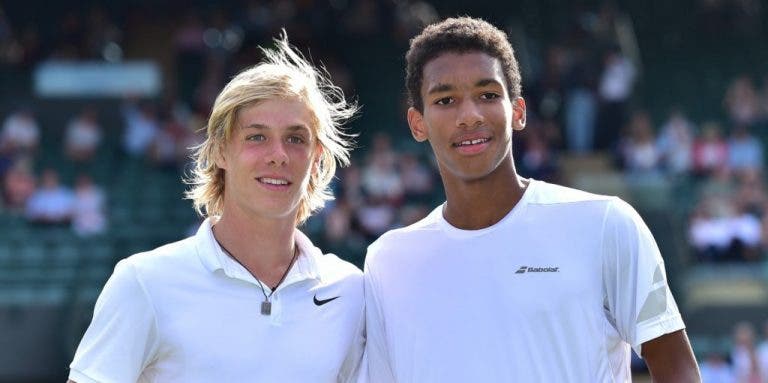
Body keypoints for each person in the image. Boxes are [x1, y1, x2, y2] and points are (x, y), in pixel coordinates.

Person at [363, 17, 700, 382]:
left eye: (488, 95)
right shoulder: (388, 262)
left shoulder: (604, 224)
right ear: (418, 123)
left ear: (518, 111)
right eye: (445, 100)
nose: (469, 115)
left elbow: (677, 368)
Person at [69, 34, 365, 382]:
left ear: (316, 159)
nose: (278, 154)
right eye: (256, 136)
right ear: (220, 151)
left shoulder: (349, 290)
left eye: (296, 138)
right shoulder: (144, 282)